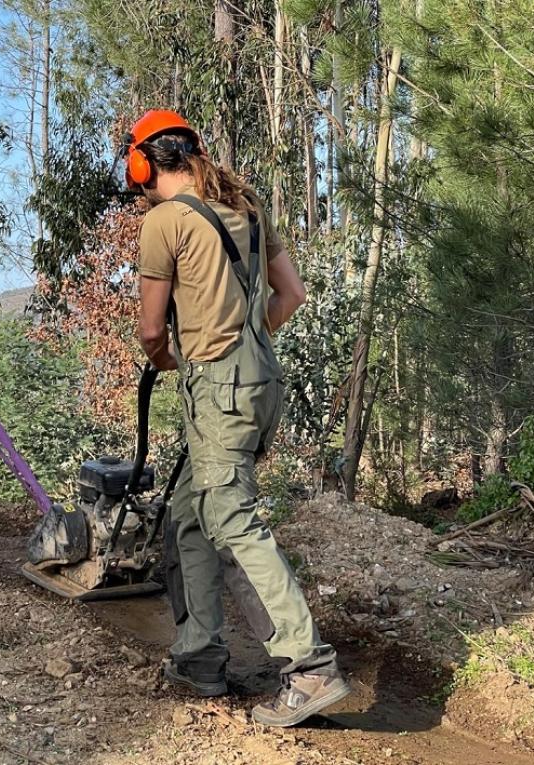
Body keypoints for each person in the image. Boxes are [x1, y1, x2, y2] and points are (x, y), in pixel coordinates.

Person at [127, 109, 351, 727]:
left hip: (217, 387)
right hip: (259, 378)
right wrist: (244, 347)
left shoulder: (163, 222)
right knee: (188, 514)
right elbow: (291, 296)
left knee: (231, 518)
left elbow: (150, 329)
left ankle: (309, 669)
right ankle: (200, 657)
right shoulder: (246, 208)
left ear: (143, 161)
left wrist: (183, 358)